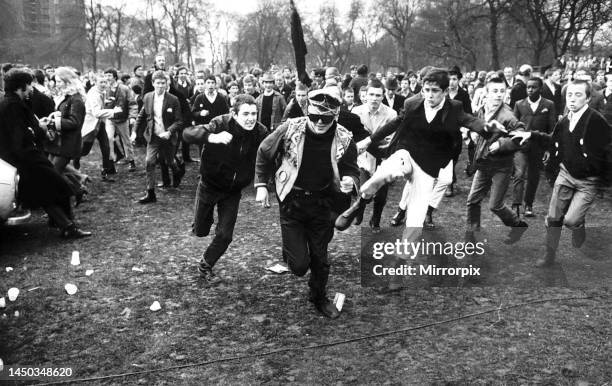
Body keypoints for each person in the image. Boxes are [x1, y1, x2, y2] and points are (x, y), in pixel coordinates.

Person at [335, 69, 505, 257]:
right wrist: (368, 141)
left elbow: (471, 121)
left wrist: (487, 127)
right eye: (426, 90)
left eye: (434, 91)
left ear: (445, 91)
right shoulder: (412, 104)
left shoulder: (454, 108)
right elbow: (394, 124)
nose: (429, 95)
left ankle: (401, 263)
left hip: (428, 167)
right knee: (383, 174)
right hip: (406, 153)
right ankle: (359, 203)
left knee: (415, 219)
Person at [254, 87, 360, 318]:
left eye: (327, 118)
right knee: (300, 266)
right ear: (307, 112)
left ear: (336, 116)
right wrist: (261, 185)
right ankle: (292, 251)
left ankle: (319, 297)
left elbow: (352, 168)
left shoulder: (344, 137)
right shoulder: (290, 128)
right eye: (315, 117)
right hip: (292, 202)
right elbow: (263, 152)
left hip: (323, 204)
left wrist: (350, 181)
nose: (320, 122)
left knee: (321, 259)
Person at [511, 80, 612, 267]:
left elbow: (608, 150)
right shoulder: (564, 120)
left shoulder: (596, 120)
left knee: (571, 220)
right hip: (566, 174)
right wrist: (531, 135)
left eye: (578, 95)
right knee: (553, 217)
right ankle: (549, 255)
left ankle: (578, 225)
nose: (572, 99)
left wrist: (604, 180)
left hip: (588, 181)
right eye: (569, 95)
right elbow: (552, 139)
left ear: (588, 98)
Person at [183, 95, 269, 284]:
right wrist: (211, 137)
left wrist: (262, 183)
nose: (250, 118)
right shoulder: (220, 123)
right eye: (245, 114)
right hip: (209, 185)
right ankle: (201, 222)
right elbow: (188, 134)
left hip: (232, 191)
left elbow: (270, 155)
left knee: (225, 235)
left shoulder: (260, 132)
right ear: (234, 114)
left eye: (254, 113)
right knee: (201, 231)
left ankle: (205, 265)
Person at [0, 68, 91, 238]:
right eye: (28, 85)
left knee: (45, 193)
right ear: (21, 87)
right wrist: (38, 129)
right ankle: (68, 224)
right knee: (57, 186)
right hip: (26, 159)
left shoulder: (12, 103)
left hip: (23, 158)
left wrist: (37, 127)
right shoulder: (12, 105)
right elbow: (19, 137)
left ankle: (65, 225)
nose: (31, 89)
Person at [466, 75, 528, 244]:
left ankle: (517, 224)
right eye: (494, 91)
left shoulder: (508, 116)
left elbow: (522, 137)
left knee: (495, 205)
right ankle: (471, 238)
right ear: (486, 93)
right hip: (483, 163)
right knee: (472, 201)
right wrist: (471, 134)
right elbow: (474, 125)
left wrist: (502, 143)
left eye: (502, 91)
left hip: (502, 166)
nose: (498, 94)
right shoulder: (481, 110)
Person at [352, 79, 397, 232]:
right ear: (365, 95)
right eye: (371, 94)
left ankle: (375, 220)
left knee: (381, 196)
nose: (374, 98)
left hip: (382, 158)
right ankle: (360, 210)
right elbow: (353, 137)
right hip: (363, 157)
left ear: (383, 96)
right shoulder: (356, 112)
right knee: (365, 189)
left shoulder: (391, 114)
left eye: (378, 95)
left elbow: (390, 140)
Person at [135, 70, 184, 203]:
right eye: (158, 83)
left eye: (163, 83)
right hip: (153, 136)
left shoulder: (173, 100)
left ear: (167, 84)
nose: (161, 86)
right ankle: (150, 193)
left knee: (168, 161)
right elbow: (141, 115)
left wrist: (169, 132)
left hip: (168, 137)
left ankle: (177, 171)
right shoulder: (147, 97)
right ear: (153, 83)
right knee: (149, 162)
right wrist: (134, 131)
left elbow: (179, 121)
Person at [512, 77, 556, 217]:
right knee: (519, 174)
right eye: (528, 87)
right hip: (521, 146)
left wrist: (548, 149)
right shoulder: (519, 104)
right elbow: (513, 125)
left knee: (533, 176)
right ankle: (516, 205)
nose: (530, 90)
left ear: (540, 88)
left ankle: (528, 204)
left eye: (534, 87)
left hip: (538, 146)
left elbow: (552, 129)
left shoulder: (548, 105)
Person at [43, 67, 89, 204]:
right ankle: (78, 188)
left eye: (59, 81)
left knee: (54, 174)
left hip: (67, 143)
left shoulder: (76, 100)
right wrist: (56, 116)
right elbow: (66, 116)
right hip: (59, 142)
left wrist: (55, 121)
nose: (56, 84)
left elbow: (74, 122)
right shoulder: (68, 97)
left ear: (68, 82)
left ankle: (74, 193)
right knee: (54, 172)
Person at [103, 68, 138, 172]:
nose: (107, 78)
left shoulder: (124, 88)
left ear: (114, 77)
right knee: (108, 138)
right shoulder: (104, 89)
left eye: (109, 76)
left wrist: (132, 117)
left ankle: (131, 161)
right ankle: (110, 163)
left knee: (126, 140)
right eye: (106, 76)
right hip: (110, 119)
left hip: (122, 119)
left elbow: (132, 103)